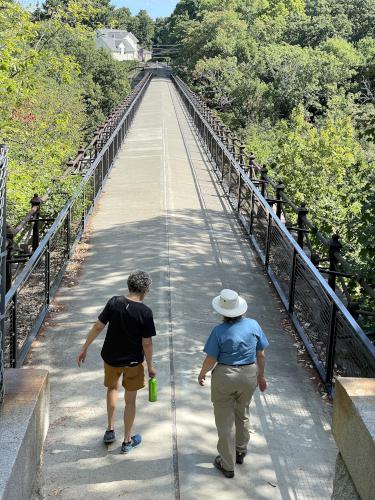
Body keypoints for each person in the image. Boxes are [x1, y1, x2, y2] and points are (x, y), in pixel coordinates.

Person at [77, 270, 156, 454]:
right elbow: (147, 343)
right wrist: (150, 367)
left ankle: (110, 430)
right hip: (133, 363)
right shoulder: (145, 312)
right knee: (130, 401)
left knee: (112, 390)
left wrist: (84, 347)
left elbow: (98, 326)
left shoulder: (114, 302)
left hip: (111, 358)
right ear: (145, 289)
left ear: (129, 285)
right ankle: (127, 441)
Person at [198, 289, 269, 478]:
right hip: (249, 375)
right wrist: (261, 377)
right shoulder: (254, 325)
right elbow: (261, 355)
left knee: (225, 421)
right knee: (243, 411)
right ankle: (240, 451)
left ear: (223, 311)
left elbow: (211, 359)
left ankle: (227, 464)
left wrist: (202, 373)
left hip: (225, 376)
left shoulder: (219, 331)